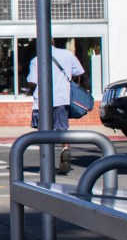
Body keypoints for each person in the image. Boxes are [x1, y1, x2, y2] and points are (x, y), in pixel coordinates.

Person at [27, 41, 84, 175]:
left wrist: (28, 90)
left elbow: (32, 81)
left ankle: (46, 162)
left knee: (44, 133)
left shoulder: (36, 60)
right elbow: (79, 71)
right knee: (62, 128)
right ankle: (65, 149)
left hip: (43, 101)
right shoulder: (67, 55)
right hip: (62, 98)